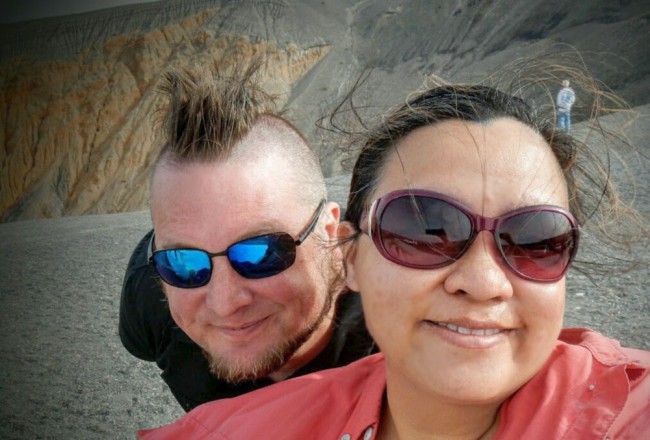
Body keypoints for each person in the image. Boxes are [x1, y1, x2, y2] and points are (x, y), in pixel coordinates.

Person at [138, 73, 649, 439]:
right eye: (425, 230)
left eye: (535, 238)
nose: (483, 281)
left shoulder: (626, 408)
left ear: (342, 251)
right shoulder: (147, 309)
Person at [119, 62, 375, 412]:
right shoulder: (148, 301)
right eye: (183, 263)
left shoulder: (398, 327)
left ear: (335, 239)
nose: (225, 304)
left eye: (261, 253)